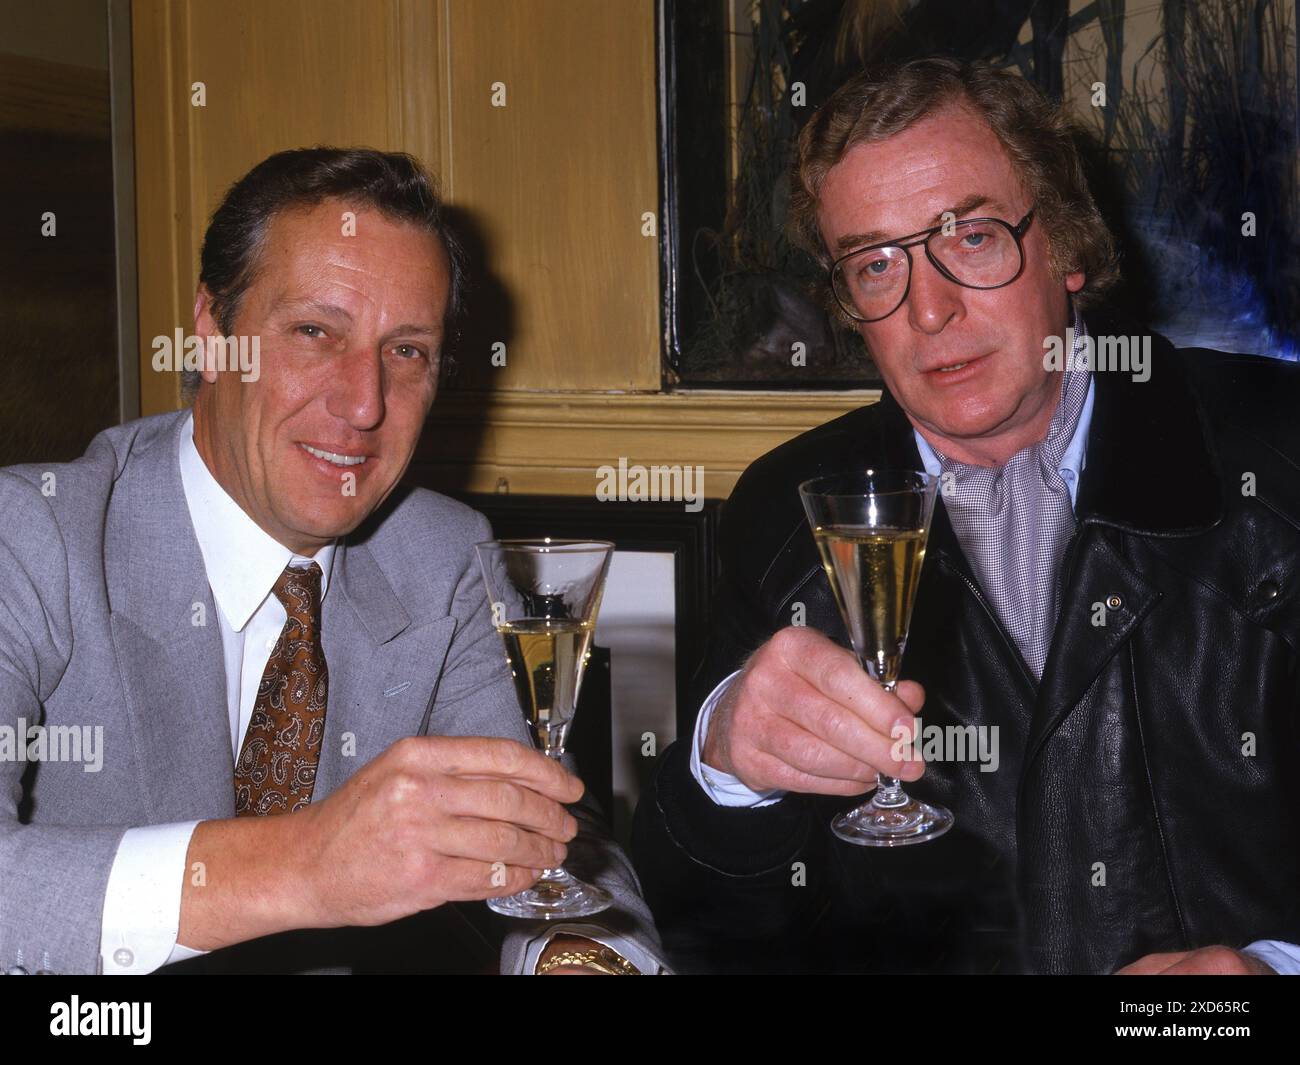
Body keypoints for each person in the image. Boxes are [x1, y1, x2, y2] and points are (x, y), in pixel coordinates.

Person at [632, 57, 1300, 975]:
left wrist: (1269, 969)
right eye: (876, 264)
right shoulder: (785, 514)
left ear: (1068, 247)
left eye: (972, 239)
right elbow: (699, 928)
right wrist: (725, 764)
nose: (931, 311)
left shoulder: (1280, 455)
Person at [0, 147, 661, 976]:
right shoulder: (30, 538)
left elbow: (539, 829)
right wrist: (309, 863)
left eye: (407, 351)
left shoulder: (445, 557)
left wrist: (578, 957)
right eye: (316, 332)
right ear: (211, 334)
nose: (364, 404)